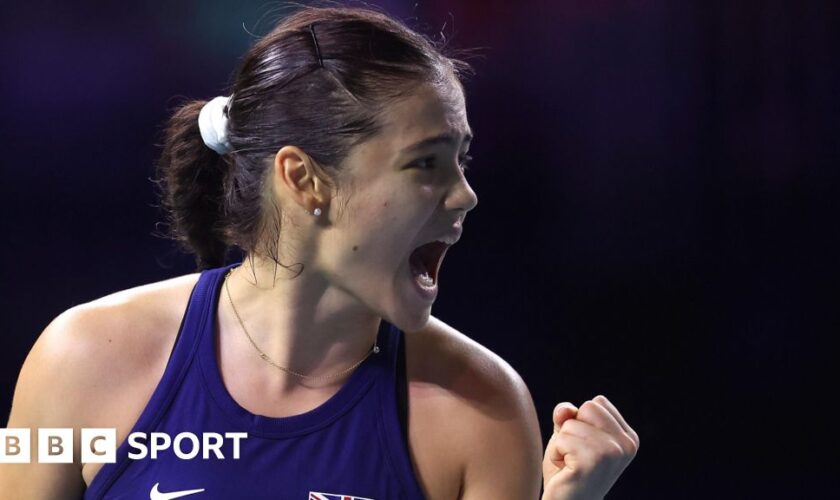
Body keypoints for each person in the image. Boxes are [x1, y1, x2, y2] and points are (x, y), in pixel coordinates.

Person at [1, 5, 637, 499]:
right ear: (304, 179)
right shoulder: (76, 360)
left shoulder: (485, 413)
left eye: (461, 160)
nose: (465, 195)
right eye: (426, 164)